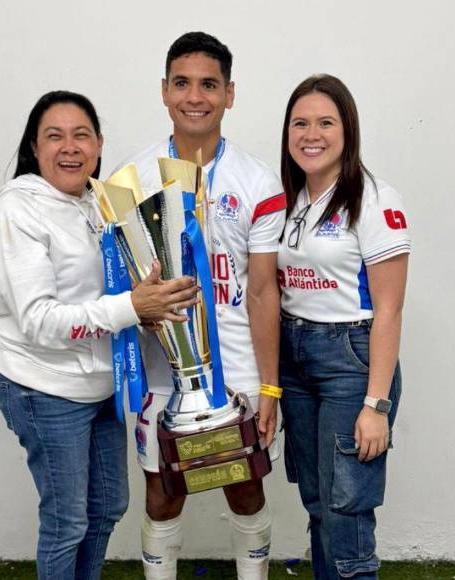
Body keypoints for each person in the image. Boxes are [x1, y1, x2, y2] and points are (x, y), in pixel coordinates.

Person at [0, 90, 198, 580]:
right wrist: (130, 306)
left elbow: (107, 292)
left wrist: (147, 308)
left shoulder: (94, 205)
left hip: (99, 386)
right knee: (67, 521)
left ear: (99, 144)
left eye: (81, 135)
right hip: (45, 388)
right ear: (34, 148)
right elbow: (38, 319)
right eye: (54, 136)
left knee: (108, 507)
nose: (70, 147)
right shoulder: (17, 212)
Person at [116, 32, 285, 580]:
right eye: (182, 83)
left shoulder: (258, 181)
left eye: (209, 85)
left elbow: (262, 292)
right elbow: (115, 282)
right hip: (163, 369)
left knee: (245, 485)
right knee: (163, 492)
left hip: (236, 367)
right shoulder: (131, 180)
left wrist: (268, 386)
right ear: (164, 91)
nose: (196, 96)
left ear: (229, 94)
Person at [277, 74, 410, 579]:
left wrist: (376, 404)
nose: (312, 134)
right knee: (316, 501)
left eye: (326, 122)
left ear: (347, 130)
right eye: (301, 123)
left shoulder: (375, 199)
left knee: (346, 510)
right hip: (296, 357)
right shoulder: (290, 199)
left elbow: (390, 310)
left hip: (350, 361)